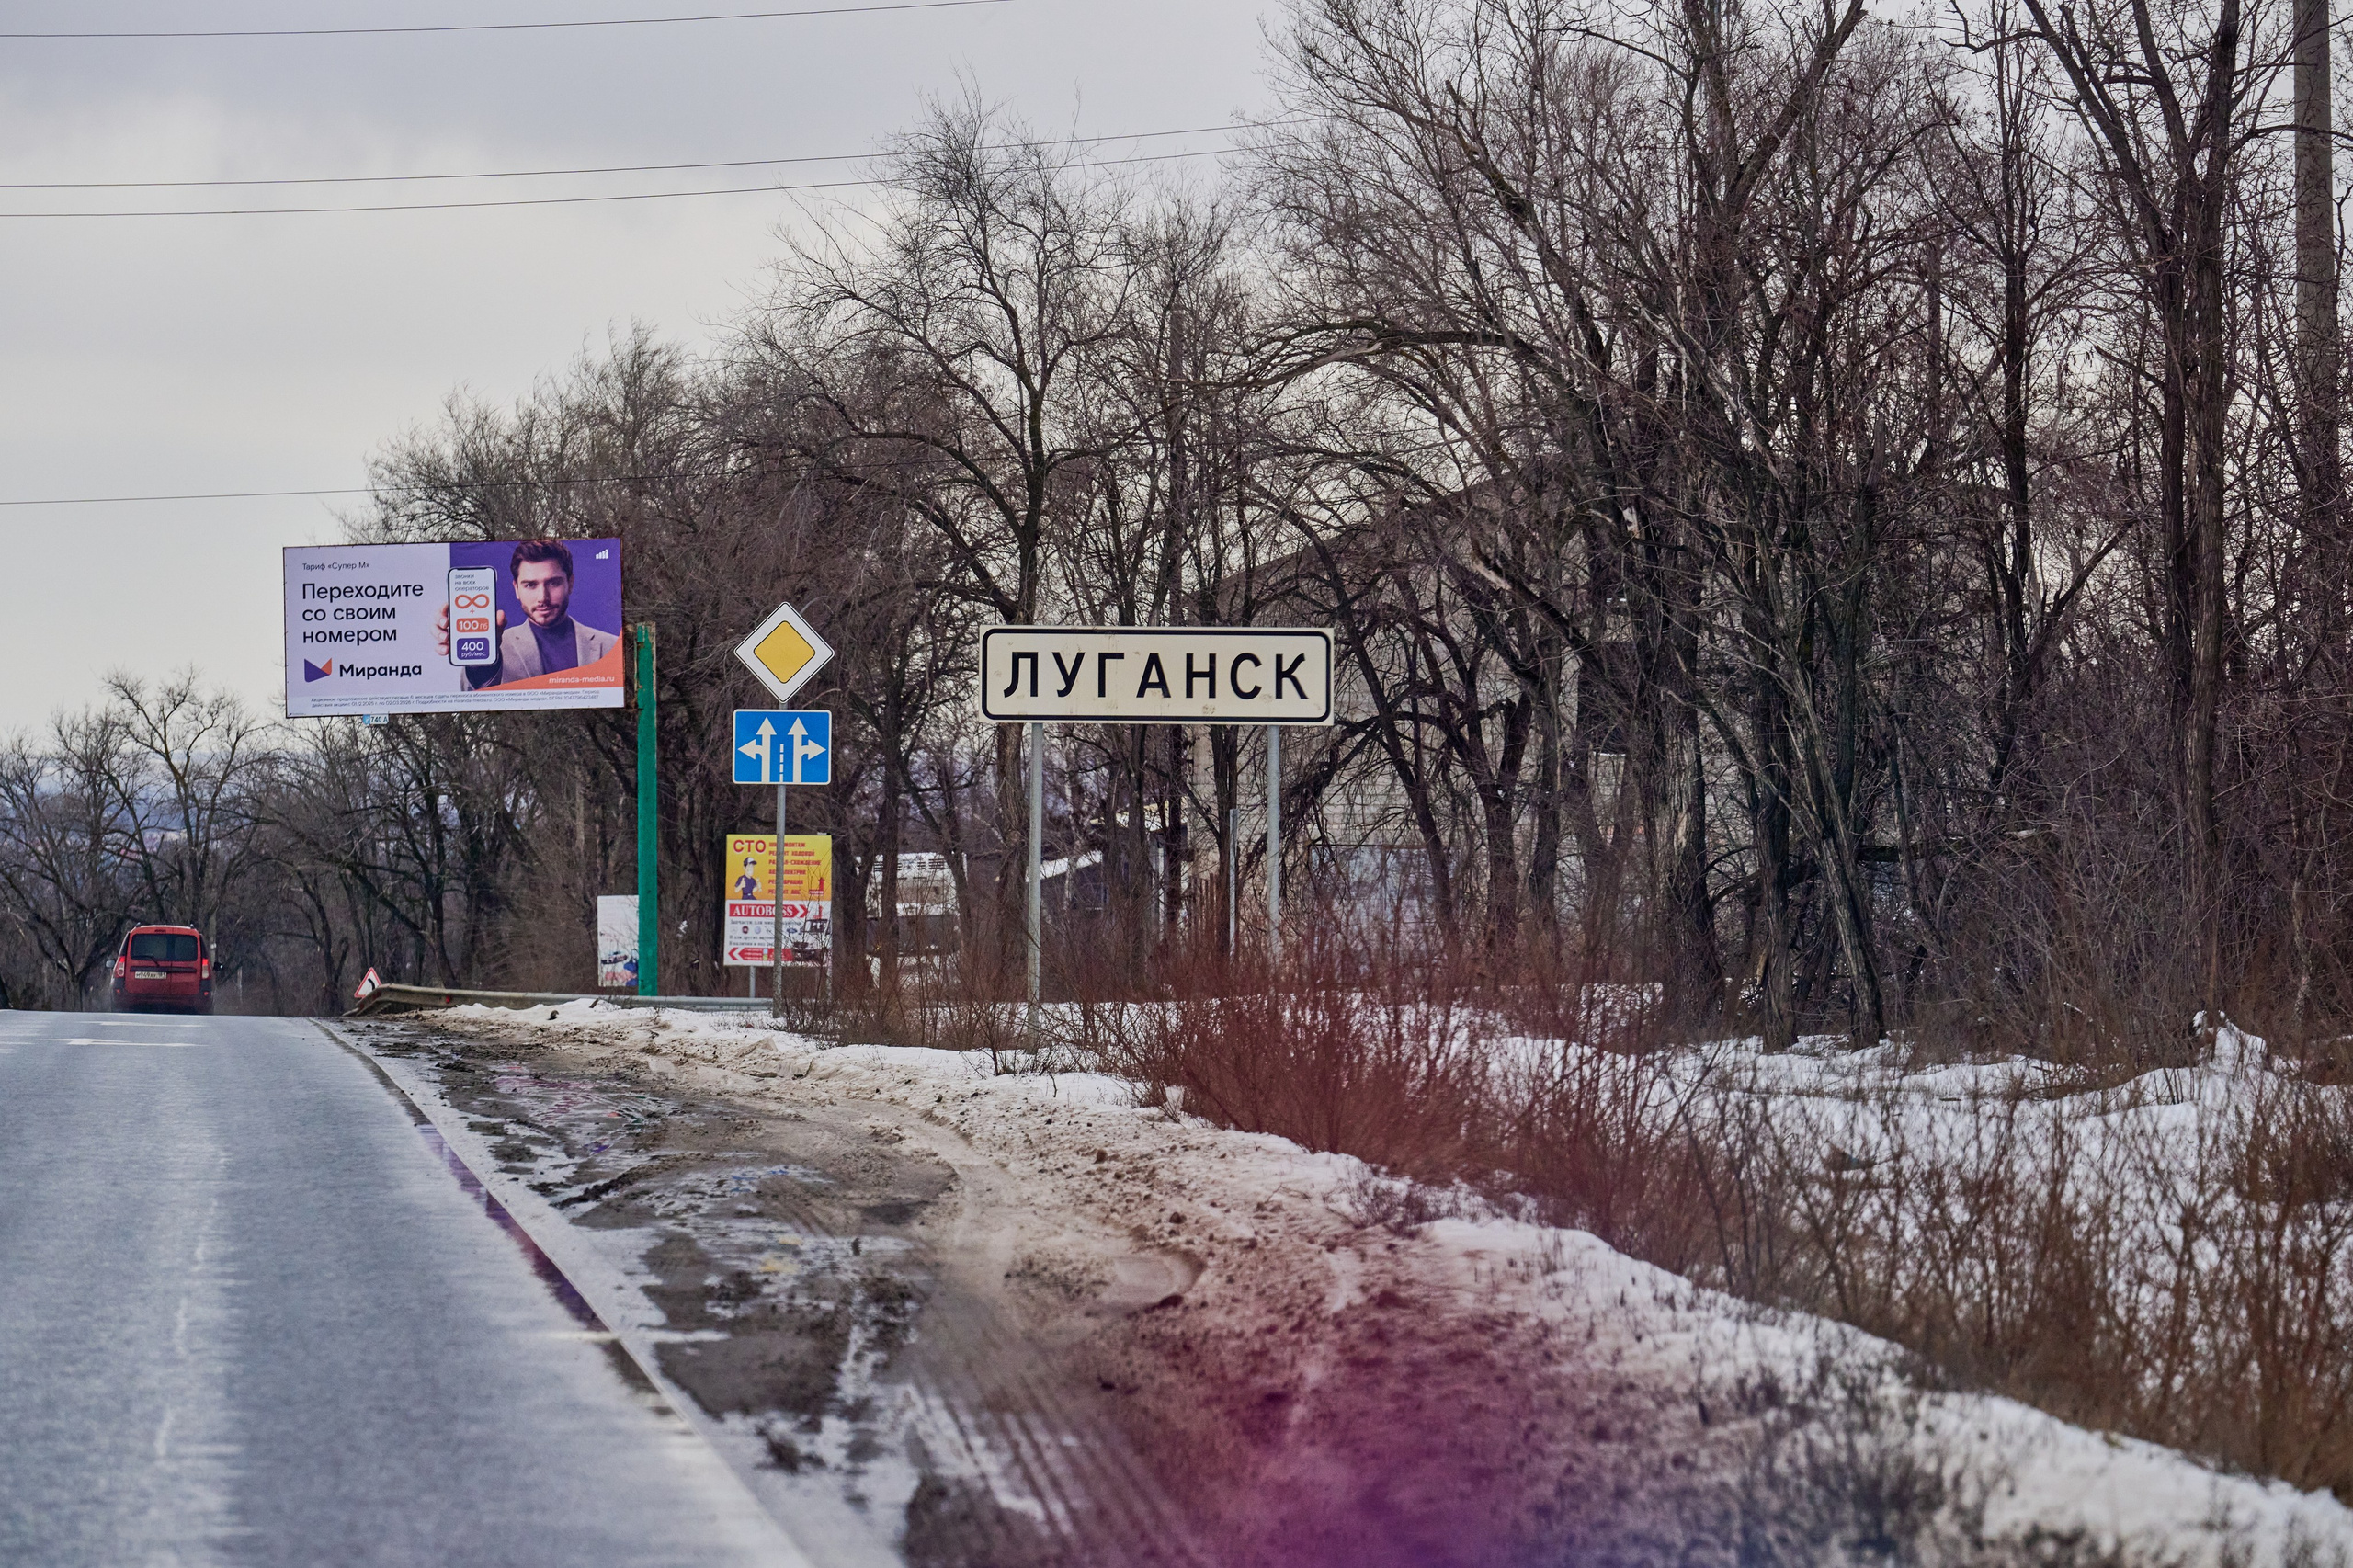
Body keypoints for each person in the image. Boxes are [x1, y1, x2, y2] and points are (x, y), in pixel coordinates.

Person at [434, 539, 616, 687]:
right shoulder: (497, 648)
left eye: (553, 583)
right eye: (530, 585)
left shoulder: (610, 646)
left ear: (571, 583)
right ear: (516, 589)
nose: (542, 598)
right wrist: (479, 657)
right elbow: (475, 693)